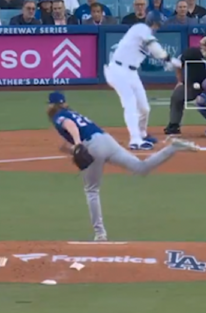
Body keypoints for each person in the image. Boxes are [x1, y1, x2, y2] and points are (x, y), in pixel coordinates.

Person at [47, 91, 198, 242]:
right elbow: (73, 132)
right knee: (141, 167)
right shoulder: (71, 112)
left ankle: (100, 234)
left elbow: (70, 125)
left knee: (91, 190)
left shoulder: (58, 116)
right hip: (107, 140)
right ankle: (173, 147)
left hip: (92, 146)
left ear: (51, 105)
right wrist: (70, 148)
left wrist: (78, 143)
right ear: (64, 103)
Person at [105, 11, 169, 150]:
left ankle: (142, 133)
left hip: (132, 72)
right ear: (152, 21)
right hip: (118, 70)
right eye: (157, 24)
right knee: (130, 104)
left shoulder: (145, 37)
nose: (157, 27)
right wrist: (168, 59)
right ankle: (135, 140)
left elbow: (147, 63)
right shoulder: (141, 28)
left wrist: (165, 65)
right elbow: (156, 49)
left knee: (144, 108)